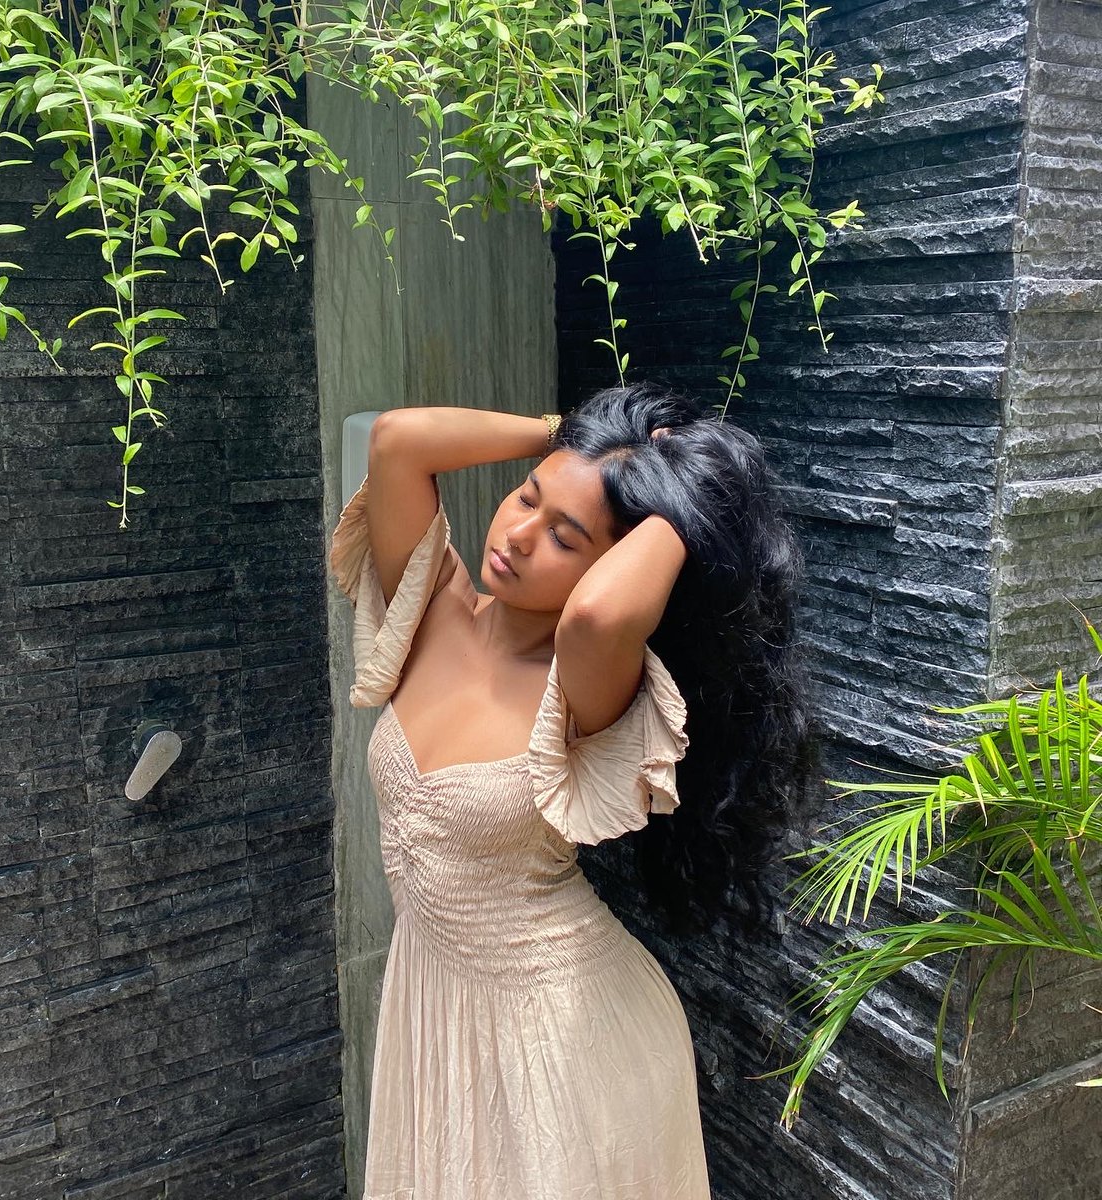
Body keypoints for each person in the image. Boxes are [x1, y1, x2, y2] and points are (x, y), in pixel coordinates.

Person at [329, 382, 808, 1200]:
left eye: (564, 537)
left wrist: (686, 491)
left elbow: (596, 618)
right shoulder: (435, 606)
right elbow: (400, 442)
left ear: (607, 563)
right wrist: (573, 434)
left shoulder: (586, 682)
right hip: (438, 1005)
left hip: (561, 1035)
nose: (518, 536)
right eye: (527, 497)